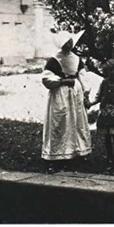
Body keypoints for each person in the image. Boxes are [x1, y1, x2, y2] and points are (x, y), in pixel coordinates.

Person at [41, 29, 91, 170]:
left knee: (76, 121)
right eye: (65, 42)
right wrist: (62, 81)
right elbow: (46, 78)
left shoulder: (76, 59)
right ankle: (58, 154)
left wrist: (86, 93)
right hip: (60, 94)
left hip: (75, 93)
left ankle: (77, 151)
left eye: (70, 42)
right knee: (60, 121)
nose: (68, 45)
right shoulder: (54, 60)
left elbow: (83, 76)